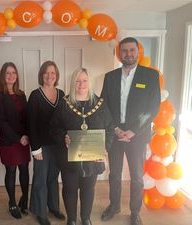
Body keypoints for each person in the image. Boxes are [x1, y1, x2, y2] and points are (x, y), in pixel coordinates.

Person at [100, 37, 161, 225]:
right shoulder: (110, 77)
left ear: (138, 52)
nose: (128, 54)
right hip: (115, 134)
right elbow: (104, 106)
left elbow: (152, 108)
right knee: (114, 175)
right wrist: (116, 129)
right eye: (124, 51)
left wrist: (133, 130)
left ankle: (135, 212)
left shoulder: (150, 76)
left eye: (132, 50)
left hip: (137, 136)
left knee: (136, 177)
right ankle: (114, 206)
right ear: (119, 54)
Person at [50, 68, 114, 225]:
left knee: (88, 189)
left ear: (89, 82)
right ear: (73, 83)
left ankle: (86, 218)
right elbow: (53, 128)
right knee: (70, 189)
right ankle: (71, 219)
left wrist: (104, 147)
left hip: (93, 158)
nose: (81, 84)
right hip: (69, 158)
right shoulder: (64, 104)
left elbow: (110, 128)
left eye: (84, 80)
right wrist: (63, 136)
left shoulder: (100, 104)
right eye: (78, 81)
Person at [27, 61, 66, 225]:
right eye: (46, 73)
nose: (50, 76)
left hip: (57, 146)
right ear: (41, 75)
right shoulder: (35, 95)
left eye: (53, 73)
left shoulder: (62, 94)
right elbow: (31, 124)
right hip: (41, 146)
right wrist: (35, 149)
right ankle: (40, 211)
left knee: (53, 178)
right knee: (40, 179)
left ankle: (53, 207)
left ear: (56, 76)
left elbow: (65, 120)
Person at [0, 62, 31, 219]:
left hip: (24, 140)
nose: (11, 76)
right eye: (8, 73)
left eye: (13, 73)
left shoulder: (22, 94)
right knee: (11, 171)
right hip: (9, 140)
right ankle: (12, 202)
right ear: (3, 76)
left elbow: (28, 117)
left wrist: (27, 135)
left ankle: (25, 199)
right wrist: (18, 138)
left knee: (24, 169)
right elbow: (1, 121)